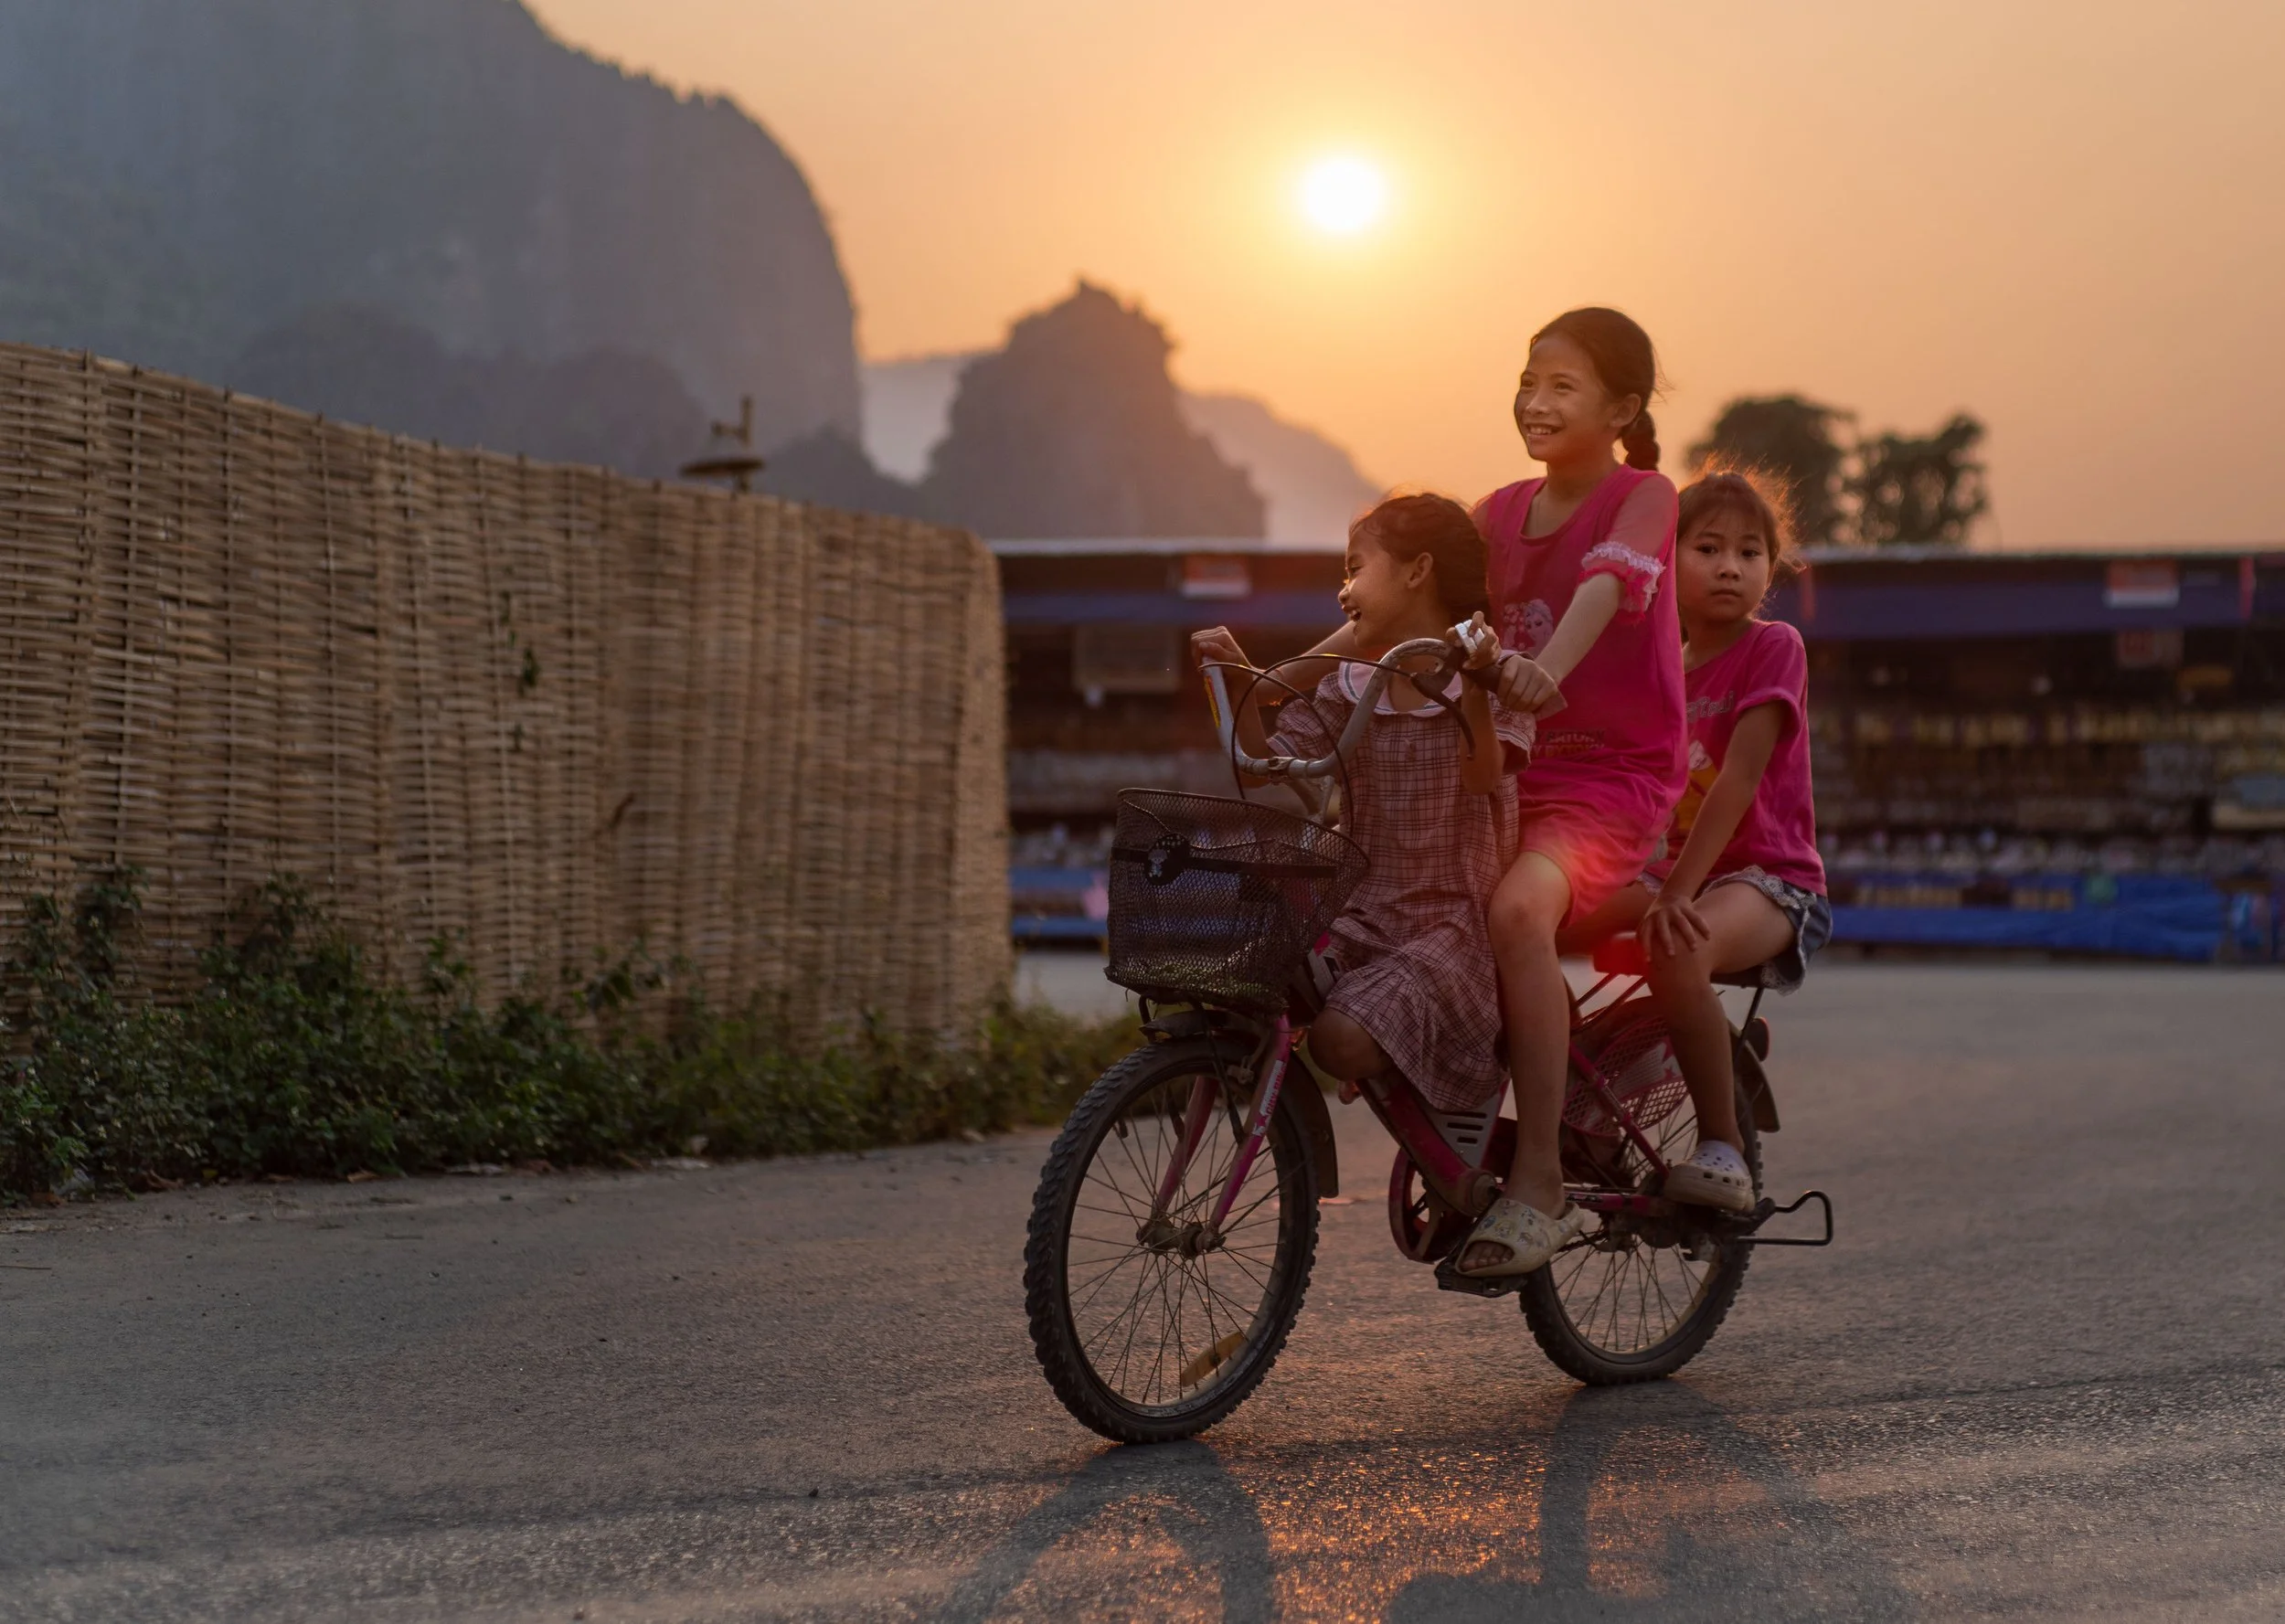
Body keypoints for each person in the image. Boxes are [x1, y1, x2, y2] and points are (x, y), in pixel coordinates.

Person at [1456, 307, 1688, 1278]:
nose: (1534, 401)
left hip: (1610, 774)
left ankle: (1541, 1178)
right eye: (1527, 379)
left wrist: (1538, 671)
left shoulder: (1644, 495)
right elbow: (1426, 615)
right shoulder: (1494, 513)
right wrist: (1313, 664)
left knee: (1517, 908)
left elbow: (1605, 587)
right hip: (1511, 767)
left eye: (1562, 386)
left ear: (1621, 407)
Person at [1189, 494, 1535, 1112]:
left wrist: (1479, 685)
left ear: (1415, 569)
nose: (1344, 590)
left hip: (1450, 928)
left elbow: (1484, 774)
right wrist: (1237, 678)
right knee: (1244, 976)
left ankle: (1407, 1070)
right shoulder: (1350, 685)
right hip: (1362, 911)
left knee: (1340, 1039)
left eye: (1355, 568)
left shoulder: (1496, 675)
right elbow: (1266, 761)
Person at [1562, 467, 1833, 1210]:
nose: (1729, 566)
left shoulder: (1774, 646)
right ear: (1668, 562)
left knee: (1678, 940)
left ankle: (1725, 1147)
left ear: (1768, 570)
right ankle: (1582, 1094)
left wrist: (1677, 889)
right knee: (1524, 921)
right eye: (1707, 547)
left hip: (1767, 881)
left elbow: (1740, 779)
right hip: (1666, 874)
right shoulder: (1661, 671)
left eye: (1749, 553)